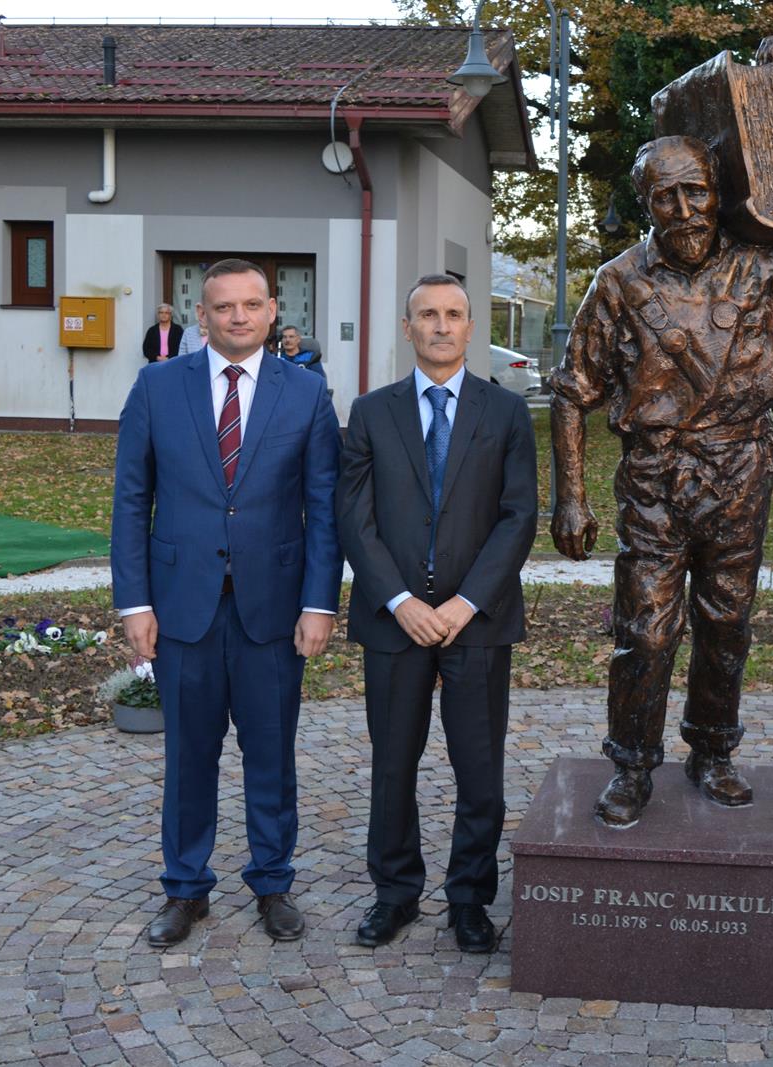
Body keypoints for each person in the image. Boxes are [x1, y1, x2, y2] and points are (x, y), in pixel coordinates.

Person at [549, 35, 773, 827]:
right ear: (646, 204)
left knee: (727, 625)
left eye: (697, 192)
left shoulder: (765, 265)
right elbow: (572, 392)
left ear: (717, 189)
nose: (686, 210)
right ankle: (631, 762)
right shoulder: (618, 283)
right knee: (645, 631)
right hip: (657, 480)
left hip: (740, 472)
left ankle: (712, 749)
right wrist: (570, 496)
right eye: (666, 197)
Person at [111, 258, 343, 948]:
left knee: (271, 751)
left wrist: (320, 602)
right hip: (182, 606)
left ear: (273, 311)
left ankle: (273, 881)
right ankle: (185, 887)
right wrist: (134, 602)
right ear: (201, 316)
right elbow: (130, 501)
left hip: (273, 608)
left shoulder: (306, 393)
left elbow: (322, 508)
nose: (238, 317)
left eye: (251, 304)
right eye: (223, 306)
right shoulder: (156, 386)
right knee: (188, 753)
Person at [337, 273, 537, 953]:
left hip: (477, 617)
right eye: (427, 314)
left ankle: (470, 897)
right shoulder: (370, 412)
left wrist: (462, 601)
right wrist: (398, 600)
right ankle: (394, 892)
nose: (441, 325)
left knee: (478, 766)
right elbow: (354, 518)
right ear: (407, 326)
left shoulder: (506, 414)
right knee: (394, 762)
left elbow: (518, 517)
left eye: (453, 313)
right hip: (393, 621)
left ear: (471, 326)